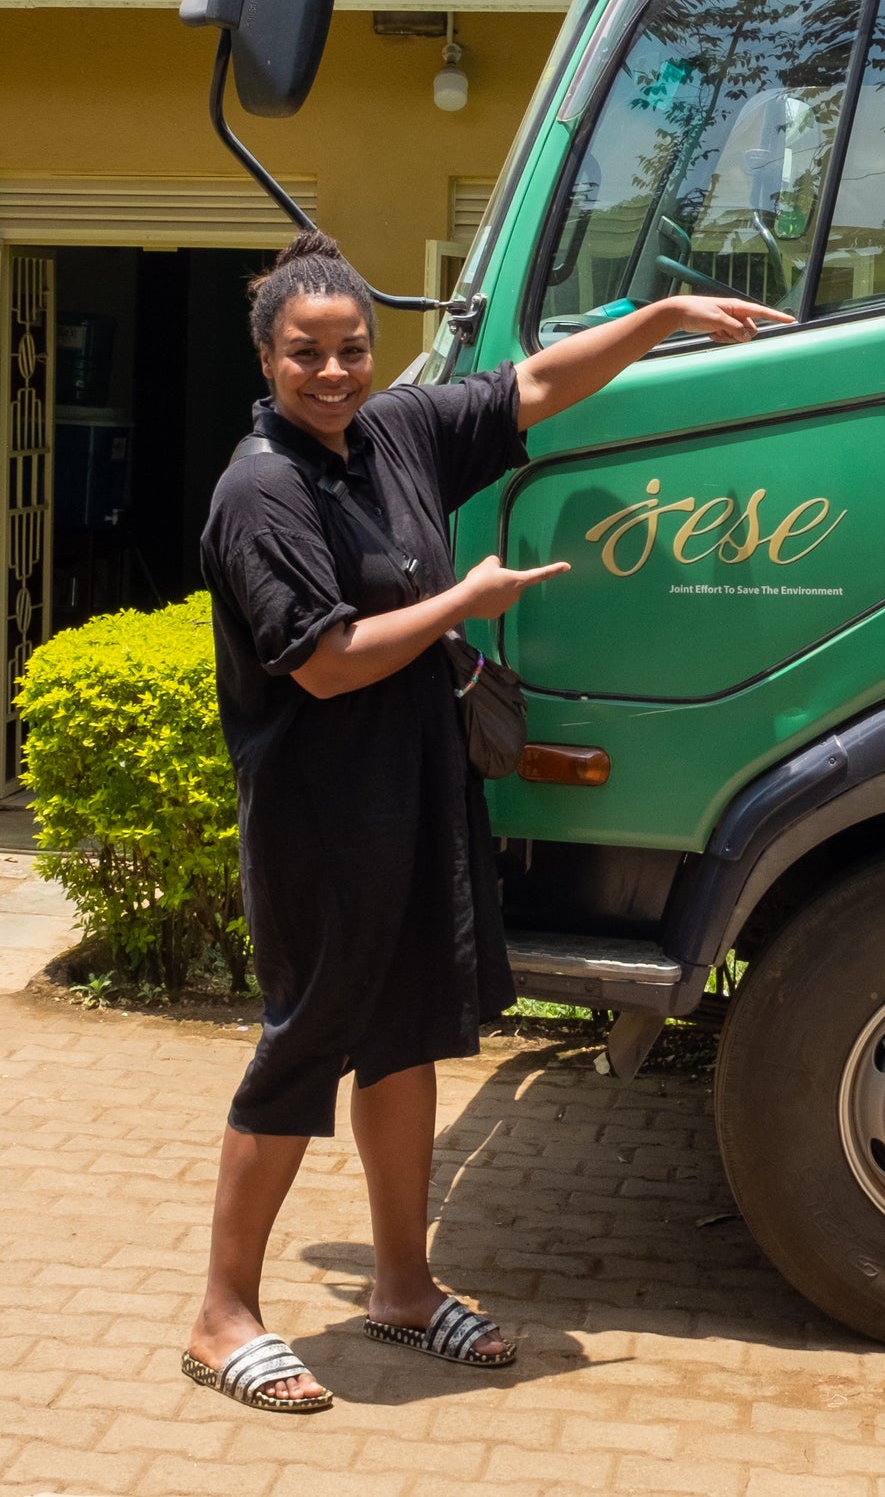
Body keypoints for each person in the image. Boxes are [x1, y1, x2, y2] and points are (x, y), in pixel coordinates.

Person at [182, 230, 789, 1413]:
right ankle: (222, 1314)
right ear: (267, 357)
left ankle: (403, 1290)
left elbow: (535, 387)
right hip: (319, 815)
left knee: (404, 1034)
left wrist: (661, 316)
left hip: (414, 792)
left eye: (353, 348)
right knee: (305, 1044)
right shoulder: (260, 491)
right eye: (307, 353)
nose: (335, 371)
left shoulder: (394, 433)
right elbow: (326, 663)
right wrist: (467, 599)